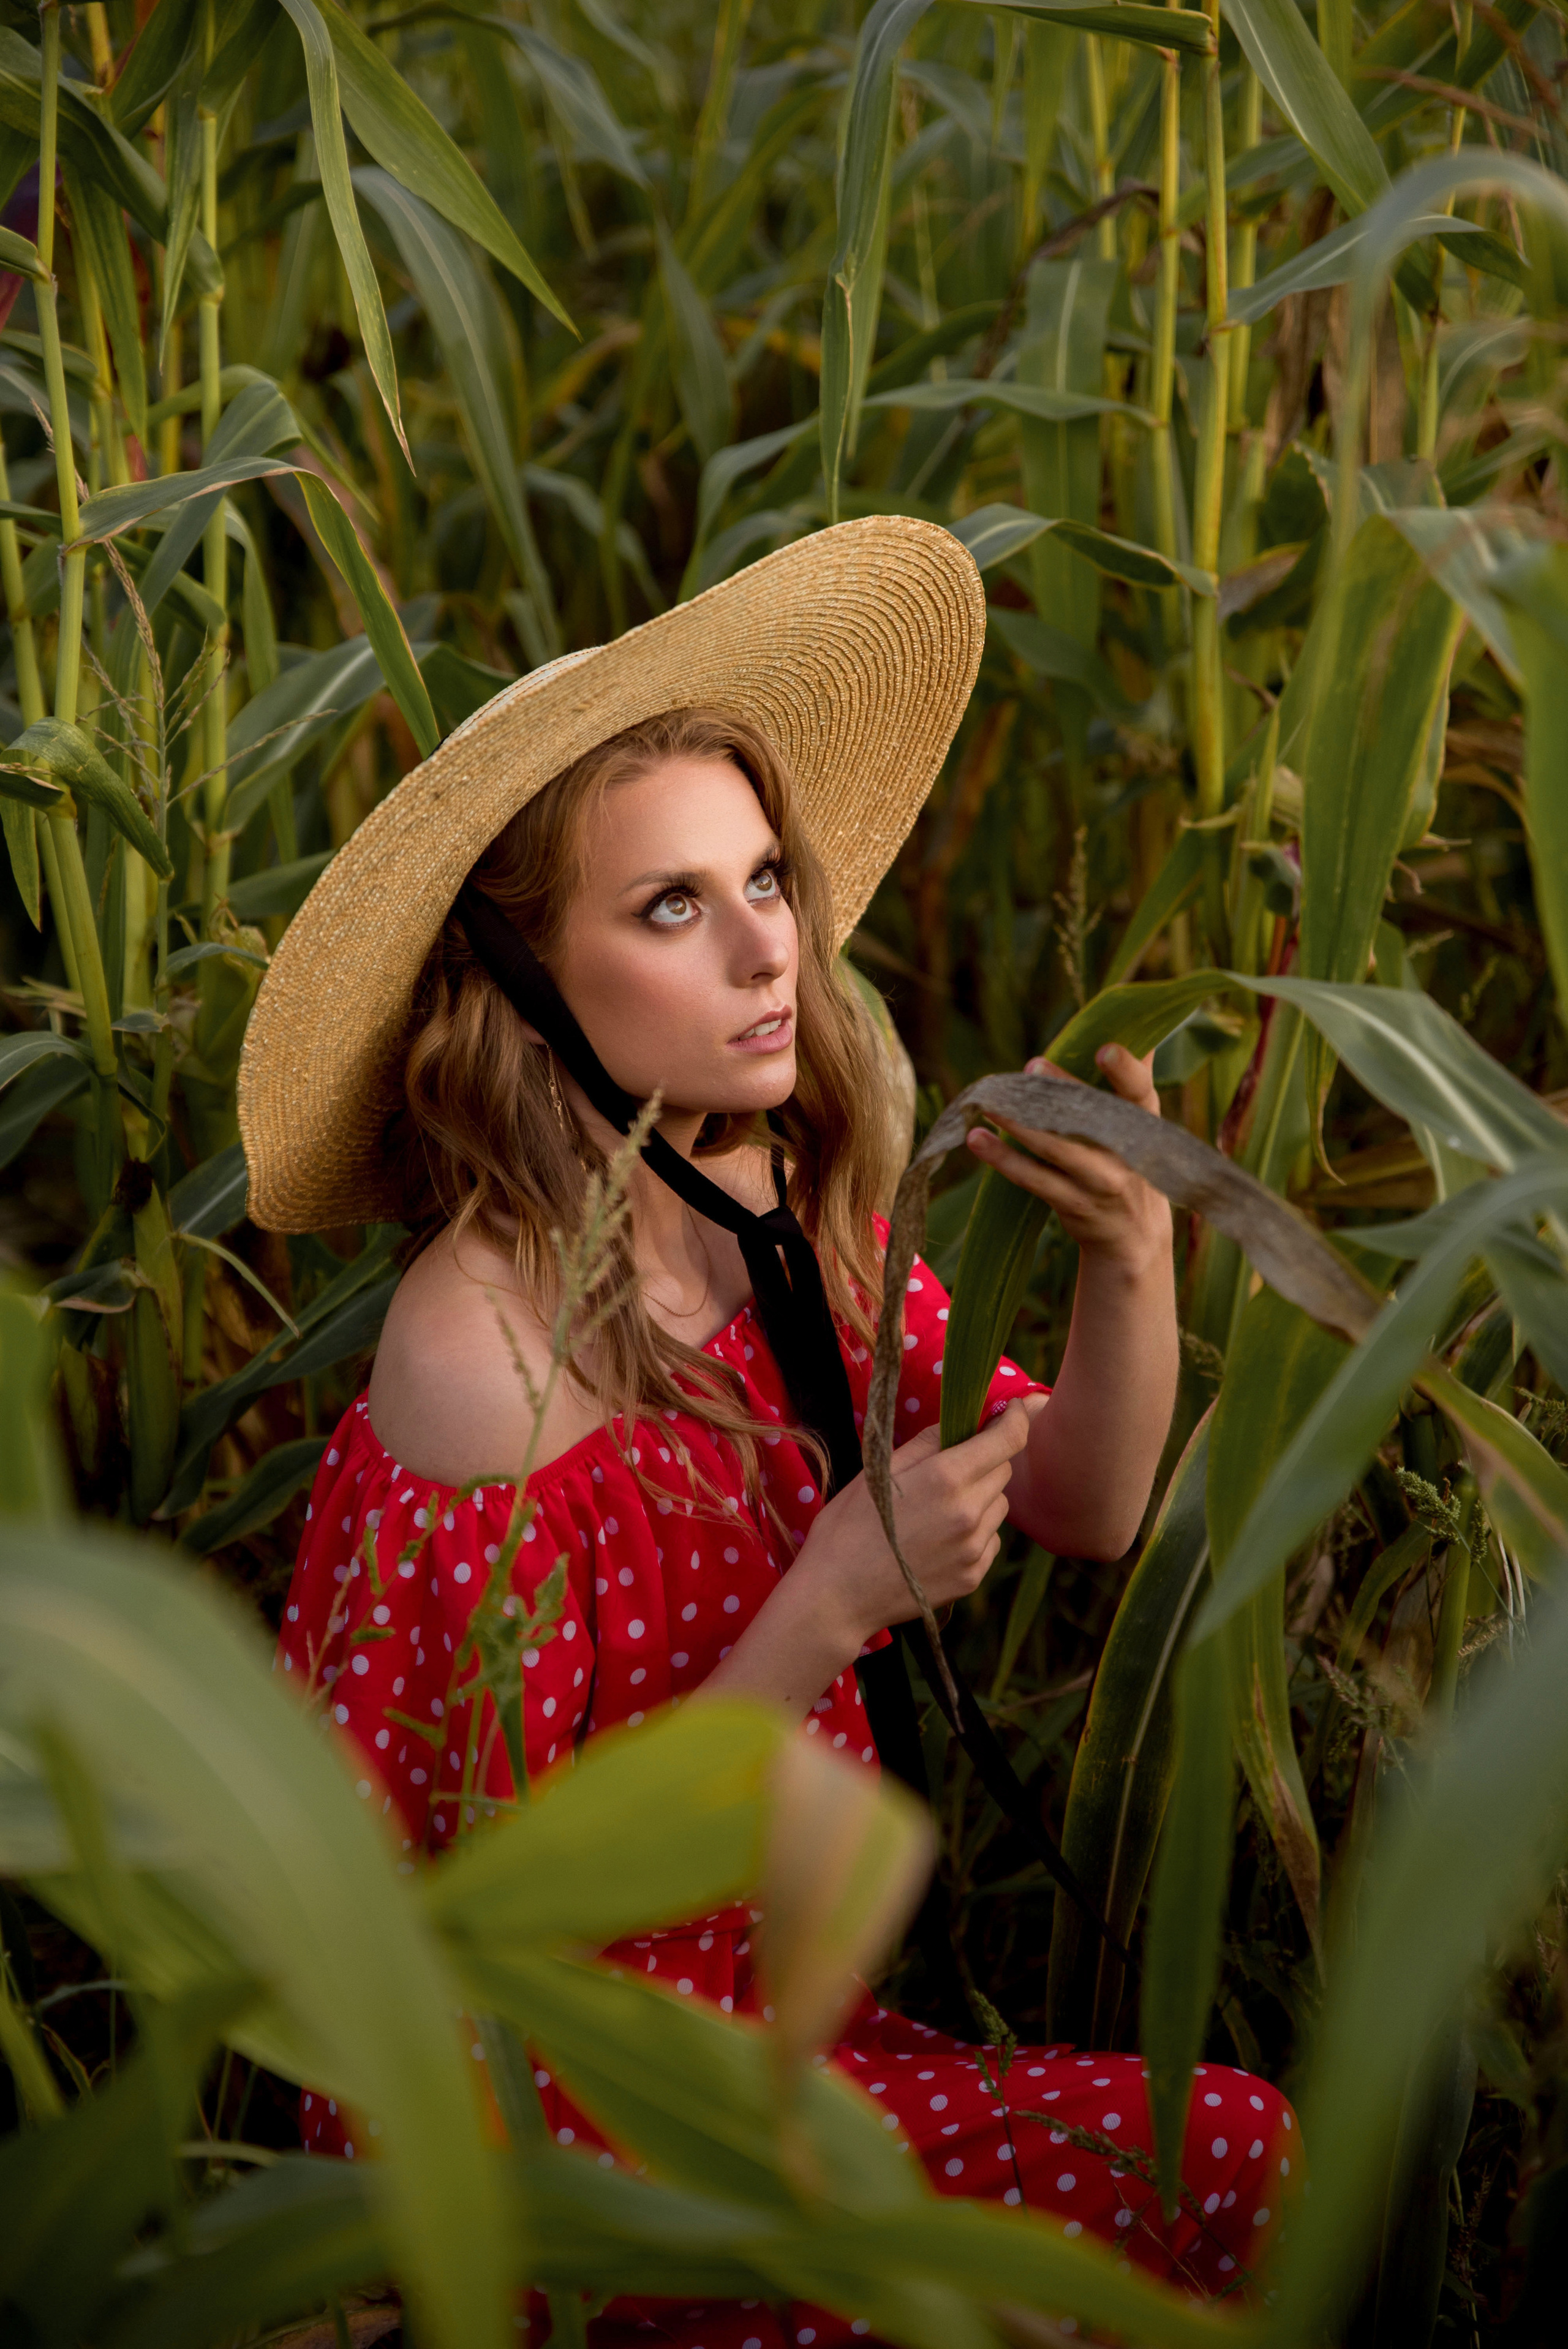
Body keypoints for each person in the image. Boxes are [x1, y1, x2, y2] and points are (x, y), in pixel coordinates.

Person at [242, 518, 1294, 2340]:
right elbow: (496, 1933)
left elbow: (1085, 1501)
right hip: (553, 2138)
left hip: (773, 2034)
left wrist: (1131, 1261)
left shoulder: (779, 1227)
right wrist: (826, 1605)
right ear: (522, 992)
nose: (768, 949)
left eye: (764, 880)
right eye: (672, 907)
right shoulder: (477, 1369)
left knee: (1240, 2162)